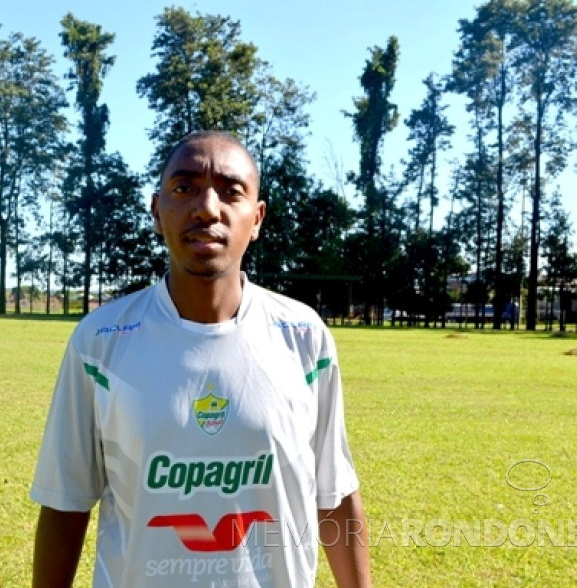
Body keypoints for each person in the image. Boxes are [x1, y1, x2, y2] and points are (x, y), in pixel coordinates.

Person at [31, 131, 370, 587]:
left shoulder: (304, 336)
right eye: (183, 187)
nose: (207, 208)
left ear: (257, 218)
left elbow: (334, 493)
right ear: (157, 211)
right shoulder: (101, 340)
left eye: (231, 192)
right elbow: (65, 503)